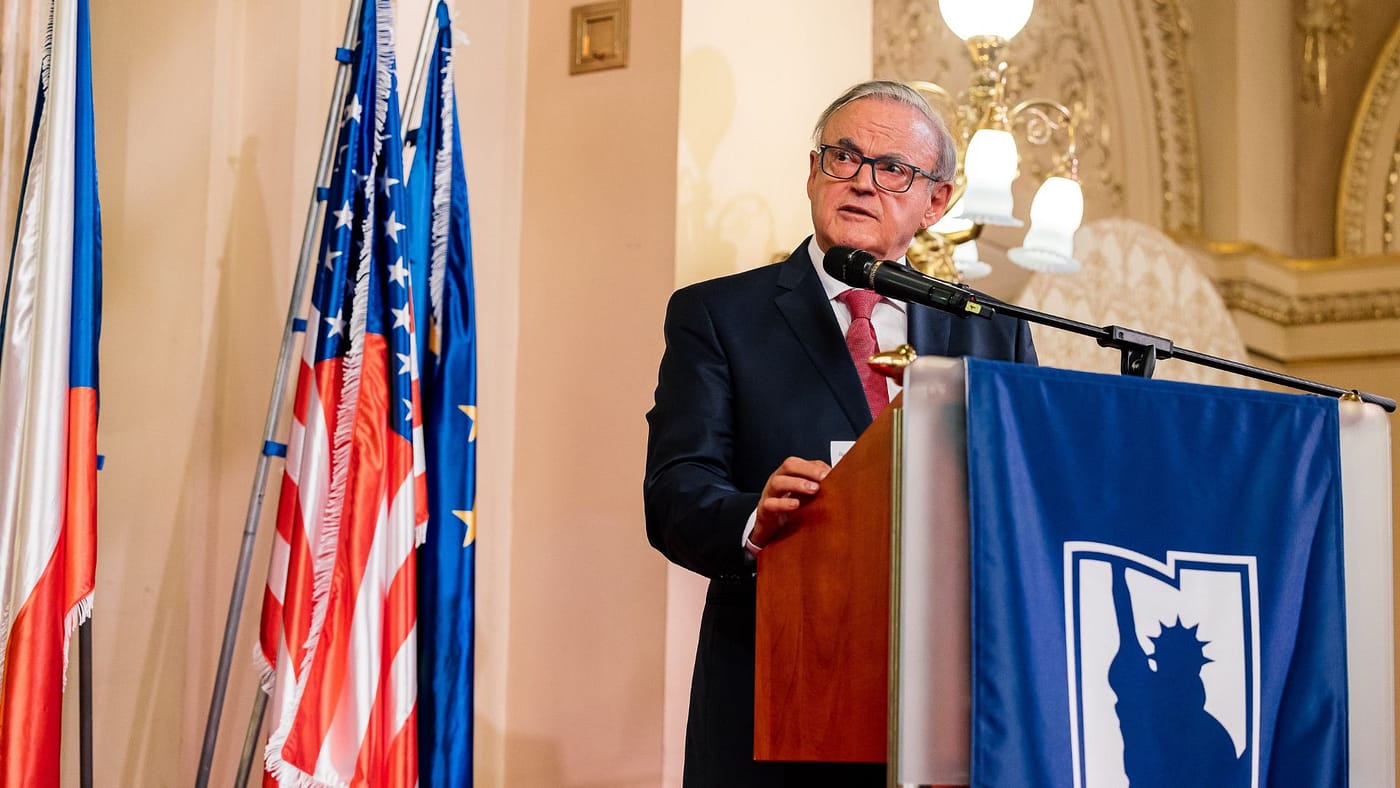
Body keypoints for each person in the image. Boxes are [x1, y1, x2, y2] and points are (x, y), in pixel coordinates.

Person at [644, 80, 1038, 787]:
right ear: (811, 172)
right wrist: (752, 518)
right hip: (777, 692)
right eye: (843, 157)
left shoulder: (988, 329)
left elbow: (1027, 493)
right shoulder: (718, 316)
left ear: (937, 202)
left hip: (949, 701)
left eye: (892, 169)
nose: (861, 182)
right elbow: (675, 493)